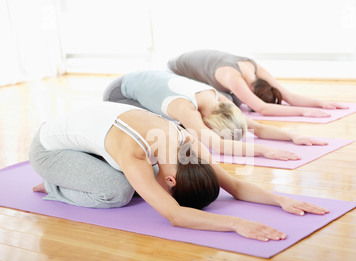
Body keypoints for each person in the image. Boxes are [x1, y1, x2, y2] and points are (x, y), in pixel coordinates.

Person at [29, 101, 329, 242]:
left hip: (90, 141)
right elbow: (175, 215)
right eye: (169, 190)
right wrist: (237, 223)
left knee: (140, 183)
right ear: (171, 181)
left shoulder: (189, 144)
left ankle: (74, 174)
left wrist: (280, 201)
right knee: (118, 192)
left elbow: (234, 185)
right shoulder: (134, 153)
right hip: (49, 149)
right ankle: (53, 184)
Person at [103, 70, 327, 161]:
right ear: (209, 123)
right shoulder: (184, 108)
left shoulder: (221, 102)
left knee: (185, 132)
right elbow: (217, 145)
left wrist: (292, 137)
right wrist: (265, 150)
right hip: (119, 93)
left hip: (145, 78)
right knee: (174, 131)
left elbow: (255, 127)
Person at [167, 49, 347, 117]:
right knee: (231, 104)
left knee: (233, 100)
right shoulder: (232, 77)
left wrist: (321, 104)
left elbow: (289, 96)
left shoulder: (254, 68)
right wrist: (304, 112)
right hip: (175, 74)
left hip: (199, 71)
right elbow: (262, 108)